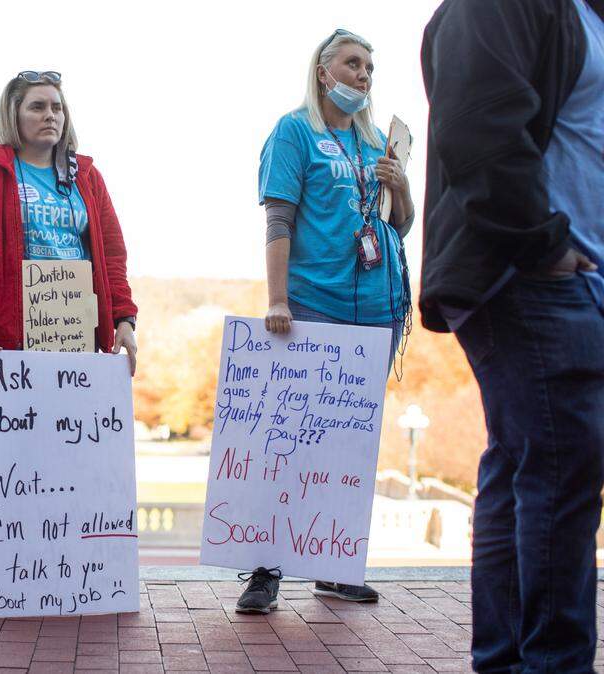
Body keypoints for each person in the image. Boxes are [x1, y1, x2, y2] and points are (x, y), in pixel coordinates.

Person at [421, 0, 604, 670]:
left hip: (561, 278)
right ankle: (552, 664)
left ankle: (506, 660)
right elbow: (479, 126)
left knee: (527, 467)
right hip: (535, 276)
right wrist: (543, 245)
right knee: (560, 474)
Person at [0, 70, 139, 615]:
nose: (49, 116)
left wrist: (123, 319)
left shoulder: (86, 176)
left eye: (56, 107)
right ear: (14, 114)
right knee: (4, 453)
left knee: (75, 454)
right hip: (12, 335)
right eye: (37, 107)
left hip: (77, 335)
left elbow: (113, 255)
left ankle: (62, 567)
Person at [239, 28, 414, 615]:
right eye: (353, 63)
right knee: (289, 445)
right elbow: (278, 222)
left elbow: (400, 226)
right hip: (314, 307)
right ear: (323, 71)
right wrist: (278, 300)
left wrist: (403, 188)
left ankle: (336, 567)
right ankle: (265, 570)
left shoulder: (373, 141)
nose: (364, 74)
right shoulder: (294, 132)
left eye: (370, 66)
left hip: (377, 312)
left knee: (350, 449)